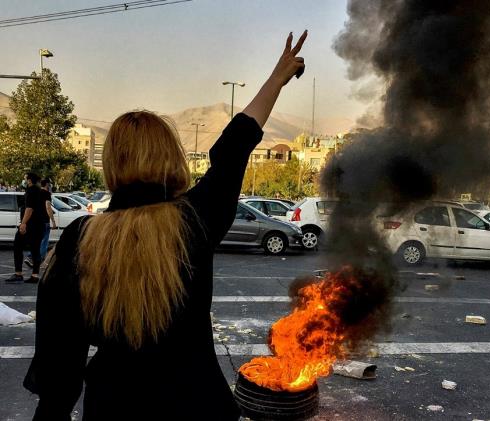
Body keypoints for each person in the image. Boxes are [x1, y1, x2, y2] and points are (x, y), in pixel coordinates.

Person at [23, 31, 307, 421]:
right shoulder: (195, 219)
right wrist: (277, 79)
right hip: (198, 407)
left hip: (114, 409)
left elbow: (59, 370)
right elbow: (234, 148)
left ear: (112, 164)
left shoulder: (79, 240)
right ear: (171, 157)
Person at [4, 173, 48, 284]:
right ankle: (35, 275)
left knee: (18, 245)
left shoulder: (31, 190)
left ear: (29, 180)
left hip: (31, 225)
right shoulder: (41, 191)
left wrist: (23, 223)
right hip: (40, 225)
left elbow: (29, 208)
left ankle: (18, 274)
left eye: (25, 179)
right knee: (35, 250)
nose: (24, 181)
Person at [25, 178, 57, 269]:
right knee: (44, 242)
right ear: (47, 184)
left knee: (37, 241)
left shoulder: (37, 192)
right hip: (44, 221)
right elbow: (48, 207)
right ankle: (36, 259)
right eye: (50, 184)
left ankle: (31, 257)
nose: (50, 186)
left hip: (36, 220)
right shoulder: (47, 194)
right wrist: (53, 221)